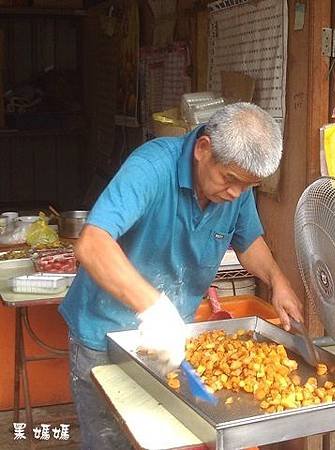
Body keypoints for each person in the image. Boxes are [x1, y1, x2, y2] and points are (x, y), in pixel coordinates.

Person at [59, 102, 304, 449]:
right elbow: (92, 244)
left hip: (172, 339)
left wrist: (278, 281)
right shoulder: (151, 167)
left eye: (248, 186)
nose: (235, 193)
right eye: (230, 180)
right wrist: (154, 308)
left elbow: (249, 242)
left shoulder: (236, 189)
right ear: (203, 149)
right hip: (104, 334)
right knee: (110, 441)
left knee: (160, 438)